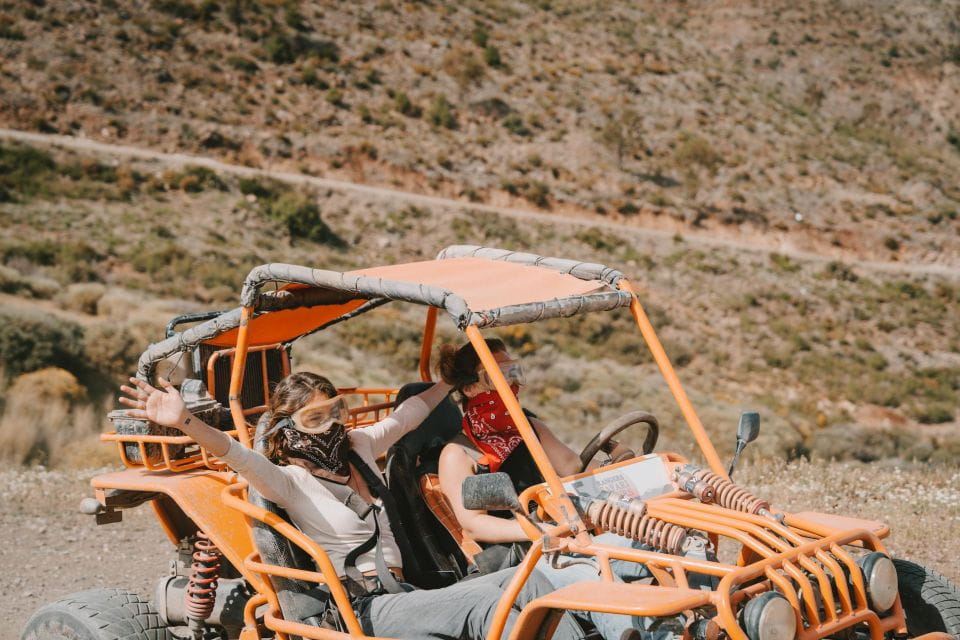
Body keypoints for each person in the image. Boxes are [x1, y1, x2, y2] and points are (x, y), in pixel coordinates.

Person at [120, 371, 586, 640]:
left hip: (406, 592)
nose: (330, 426)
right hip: (362, 608)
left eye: (335, 412)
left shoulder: (358, 447)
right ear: (288, 428)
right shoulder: (289, 481)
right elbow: (234, 454)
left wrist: (449, 379)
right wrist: (184, 421)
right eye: (314, 418)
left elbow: (409, 416)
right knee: (489, 606)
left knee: (532, 578)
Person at [436, 339, 668, 640]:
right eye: (499, 376)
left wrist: (616, 463)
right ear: (470, 389)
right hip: (523, 558)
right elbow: (473, 524)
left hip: (569, 538)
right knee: (593, 576)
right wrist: (538, 531)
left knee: (666, 537)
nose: (512, 384)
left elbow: (573, 468)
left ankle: (708, 622)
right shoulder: (458, 454)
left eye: (514, 372)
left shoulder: (529, 427)